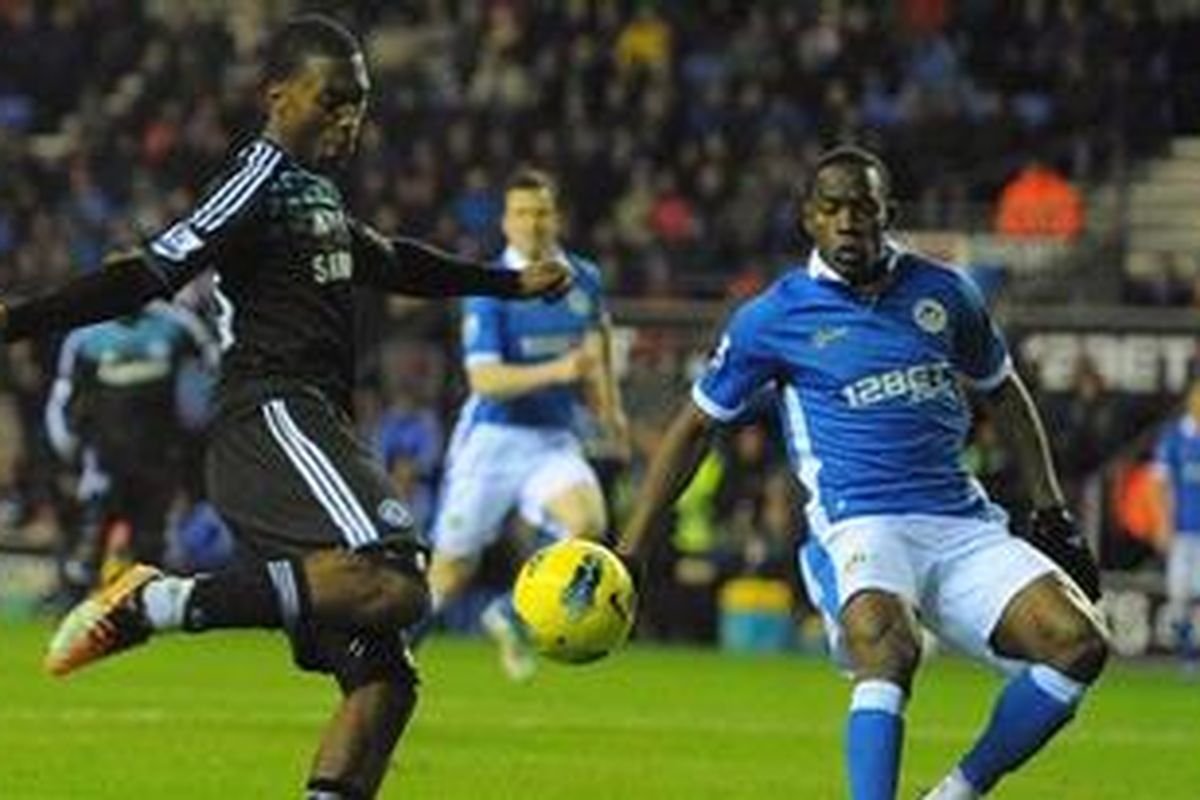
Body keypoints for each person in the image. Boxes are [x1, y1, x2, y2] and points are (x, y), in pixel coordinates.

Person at [0, 15, 569, 800]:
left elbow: (392, 260)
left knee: (384, 678)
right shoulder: (258, 175)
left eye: (359, 103)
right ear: (279, 94)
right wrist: (18, 320)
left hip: (312, 421)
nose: (349, 118)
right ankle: (155, 599)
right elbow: (152, 270)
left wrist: (508, 283)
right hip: (267, 413)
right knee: (395, 580)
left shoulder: (315, 193)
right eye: (332, 99)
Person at [617, 145, 1108, 800]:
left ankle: (956, 793)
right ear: (808, 219)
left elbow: (1004, 391)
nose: (849, 221)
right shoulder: (774, 317)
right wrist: (630, 546)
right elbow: (697, 425)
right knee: (888, 646)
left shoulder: (944, 292)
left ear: (888, 214)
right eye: (833, 208)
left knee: (1079, 644)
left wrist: (1051, 509)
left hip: (960, 522)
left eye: (863, 208)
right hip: (859, 524)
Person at [427, 168, 629, 680]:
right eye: (521, 213)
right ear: (505, 222)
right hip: (490, 441)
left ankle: (513, 615)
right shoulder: (494, 287)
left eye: (541, 212)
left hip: (551, 440)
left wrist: (610, 408)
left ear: (556, 217)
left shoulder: (584, 279)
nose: (532, 223)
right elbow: (486, 380)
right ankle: (395, 656)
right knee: (450, 571)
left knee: (586, 524)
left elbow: (597, 341)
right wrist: (560, 370)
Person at [45, 298, 219, 596]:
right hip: (103, 454)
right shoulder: (86, 335)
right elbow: (64, 393)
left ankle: (142, 608)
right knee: (92, 529)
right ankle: (73, 598)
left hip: (163, 453)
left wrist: (204, 430)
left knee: (151, 539)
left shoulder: (178, 326)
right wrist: (67, 445)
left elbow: (213, 370)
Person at [1151, 377, 1200, 669]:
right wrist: (1162, 523)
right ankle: (1187, 655)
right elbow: (1160, 485)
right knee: (1179, 594)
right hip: (1182, 529)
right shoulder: (1174, 437)